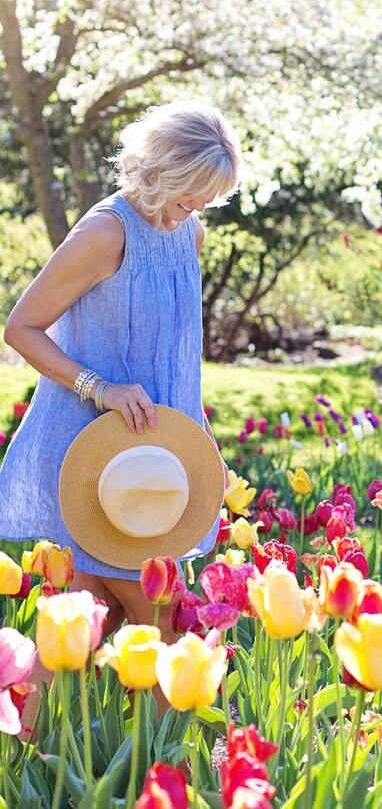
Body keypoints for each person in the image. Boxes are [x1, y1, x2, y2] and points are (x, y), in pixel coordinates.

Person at [0, 99, 241, 652]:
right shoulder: (106, 233)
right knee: (163, 629)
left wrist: (199, 439)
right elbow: (22, 328)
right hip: (97, 455)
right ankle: (198, 741)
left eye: (207, 199)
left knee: (82, 631)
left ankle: (37, 736)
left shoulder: (189, 233)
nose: (196, 209)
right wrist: (101, 389)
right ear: (160, 172)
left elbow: (176, 358)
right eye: (190, 195)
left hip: (155, 454)